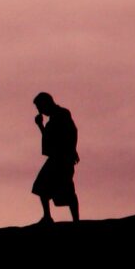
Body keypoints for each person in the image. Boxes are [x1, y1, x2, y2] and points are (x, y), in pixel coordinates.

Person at [32, 93, 80, 223]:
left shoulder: (62, 114)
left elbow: (72, 132)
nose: (40, 110)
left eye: (39, 107)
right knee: (42, 186)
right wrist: (40, 125)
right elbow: (48, 138)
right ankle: (47, 216)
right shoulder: (52, 120)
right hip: (55, 158)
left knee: (67, 189)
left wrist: (72, 150)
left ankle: (76, 220)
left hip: (63, 158)